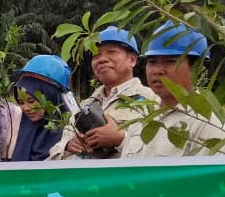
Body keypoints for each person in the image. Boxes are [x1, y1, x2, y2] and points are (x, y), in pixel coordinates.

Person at [122, 23, 225, 157]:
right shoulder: (143, 117)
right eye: (152, 61)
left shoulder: (209, 122)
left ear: (197, 67)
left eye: (170, 61)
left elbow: (221, 176)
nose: (157, 70)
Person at [51, 26, 157, 159]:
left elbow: (164, 152)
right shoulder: (84, 106)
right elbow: (53, 156)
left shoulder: (152, 100)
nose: (102, 59)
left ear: (132, 60)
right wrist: (68, 146)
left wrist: (121, 139)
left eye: (111, 52)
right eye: (96, 55)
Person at [10, 55, 72, 163]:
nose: (25, 108)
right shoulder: (24, 128)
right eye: (21, 102)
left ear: (50, 96)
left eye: (31, 101)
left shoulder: (71, 134)